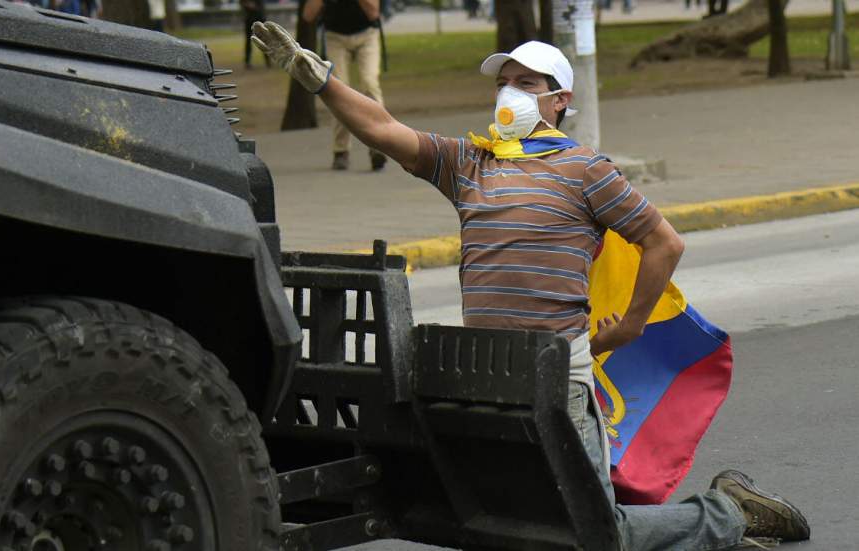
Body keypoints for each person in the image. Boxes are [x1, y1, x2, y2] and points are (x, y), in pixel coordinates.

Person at [251, 21, 812, 550]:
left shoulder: (586, 169)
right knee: (516, 522)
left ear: (560, 100)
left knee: (596, 533)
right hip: (486, 376)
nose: (509, 93)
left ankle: (728, 512)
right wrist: (321, 80)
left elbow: (664, 242)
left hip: (558, 378)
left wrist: (635, 322)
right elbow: (383, 127)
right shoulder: (470, 162)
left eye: (526, 83)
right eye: (503, 83)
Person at [302, 0, 387, 171]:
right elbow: (308, 15)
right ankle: (341, 151)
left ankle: (378, 147)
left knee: (370, 84)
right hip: (335, 37)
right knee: (338, 90)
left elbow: (373, 12)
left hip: (367, 34)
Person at [240, 0, 270, 69]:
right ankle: (247, 62)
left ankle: (268, 60)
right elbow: (243, 3)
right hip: (250, 18)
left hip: (259, 17)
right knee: (248, 40)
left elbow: (260, 6)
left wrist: (253, 6)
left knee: (264, 40)